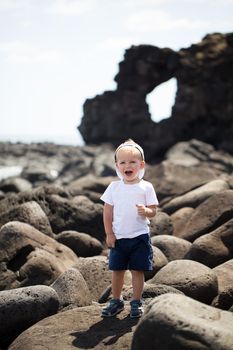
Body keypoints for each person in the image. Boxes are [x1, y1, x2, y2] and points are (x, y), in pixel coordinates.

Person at [100, 139, 159, 318]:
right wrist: (109, 233)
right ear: (117, 166)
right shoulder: (114, 187)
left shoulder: (146, 187)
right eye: (123, 162)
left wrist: (146, 211)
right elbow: (107, 211)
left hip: (139, 237)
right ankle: (116, 300)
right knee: (117, 270)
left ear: (141, 165)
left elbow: (154, 211)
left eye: (132, 162)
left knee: (137, 270)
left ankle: (136, 301)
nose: (128, 165)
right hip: (119, 237)